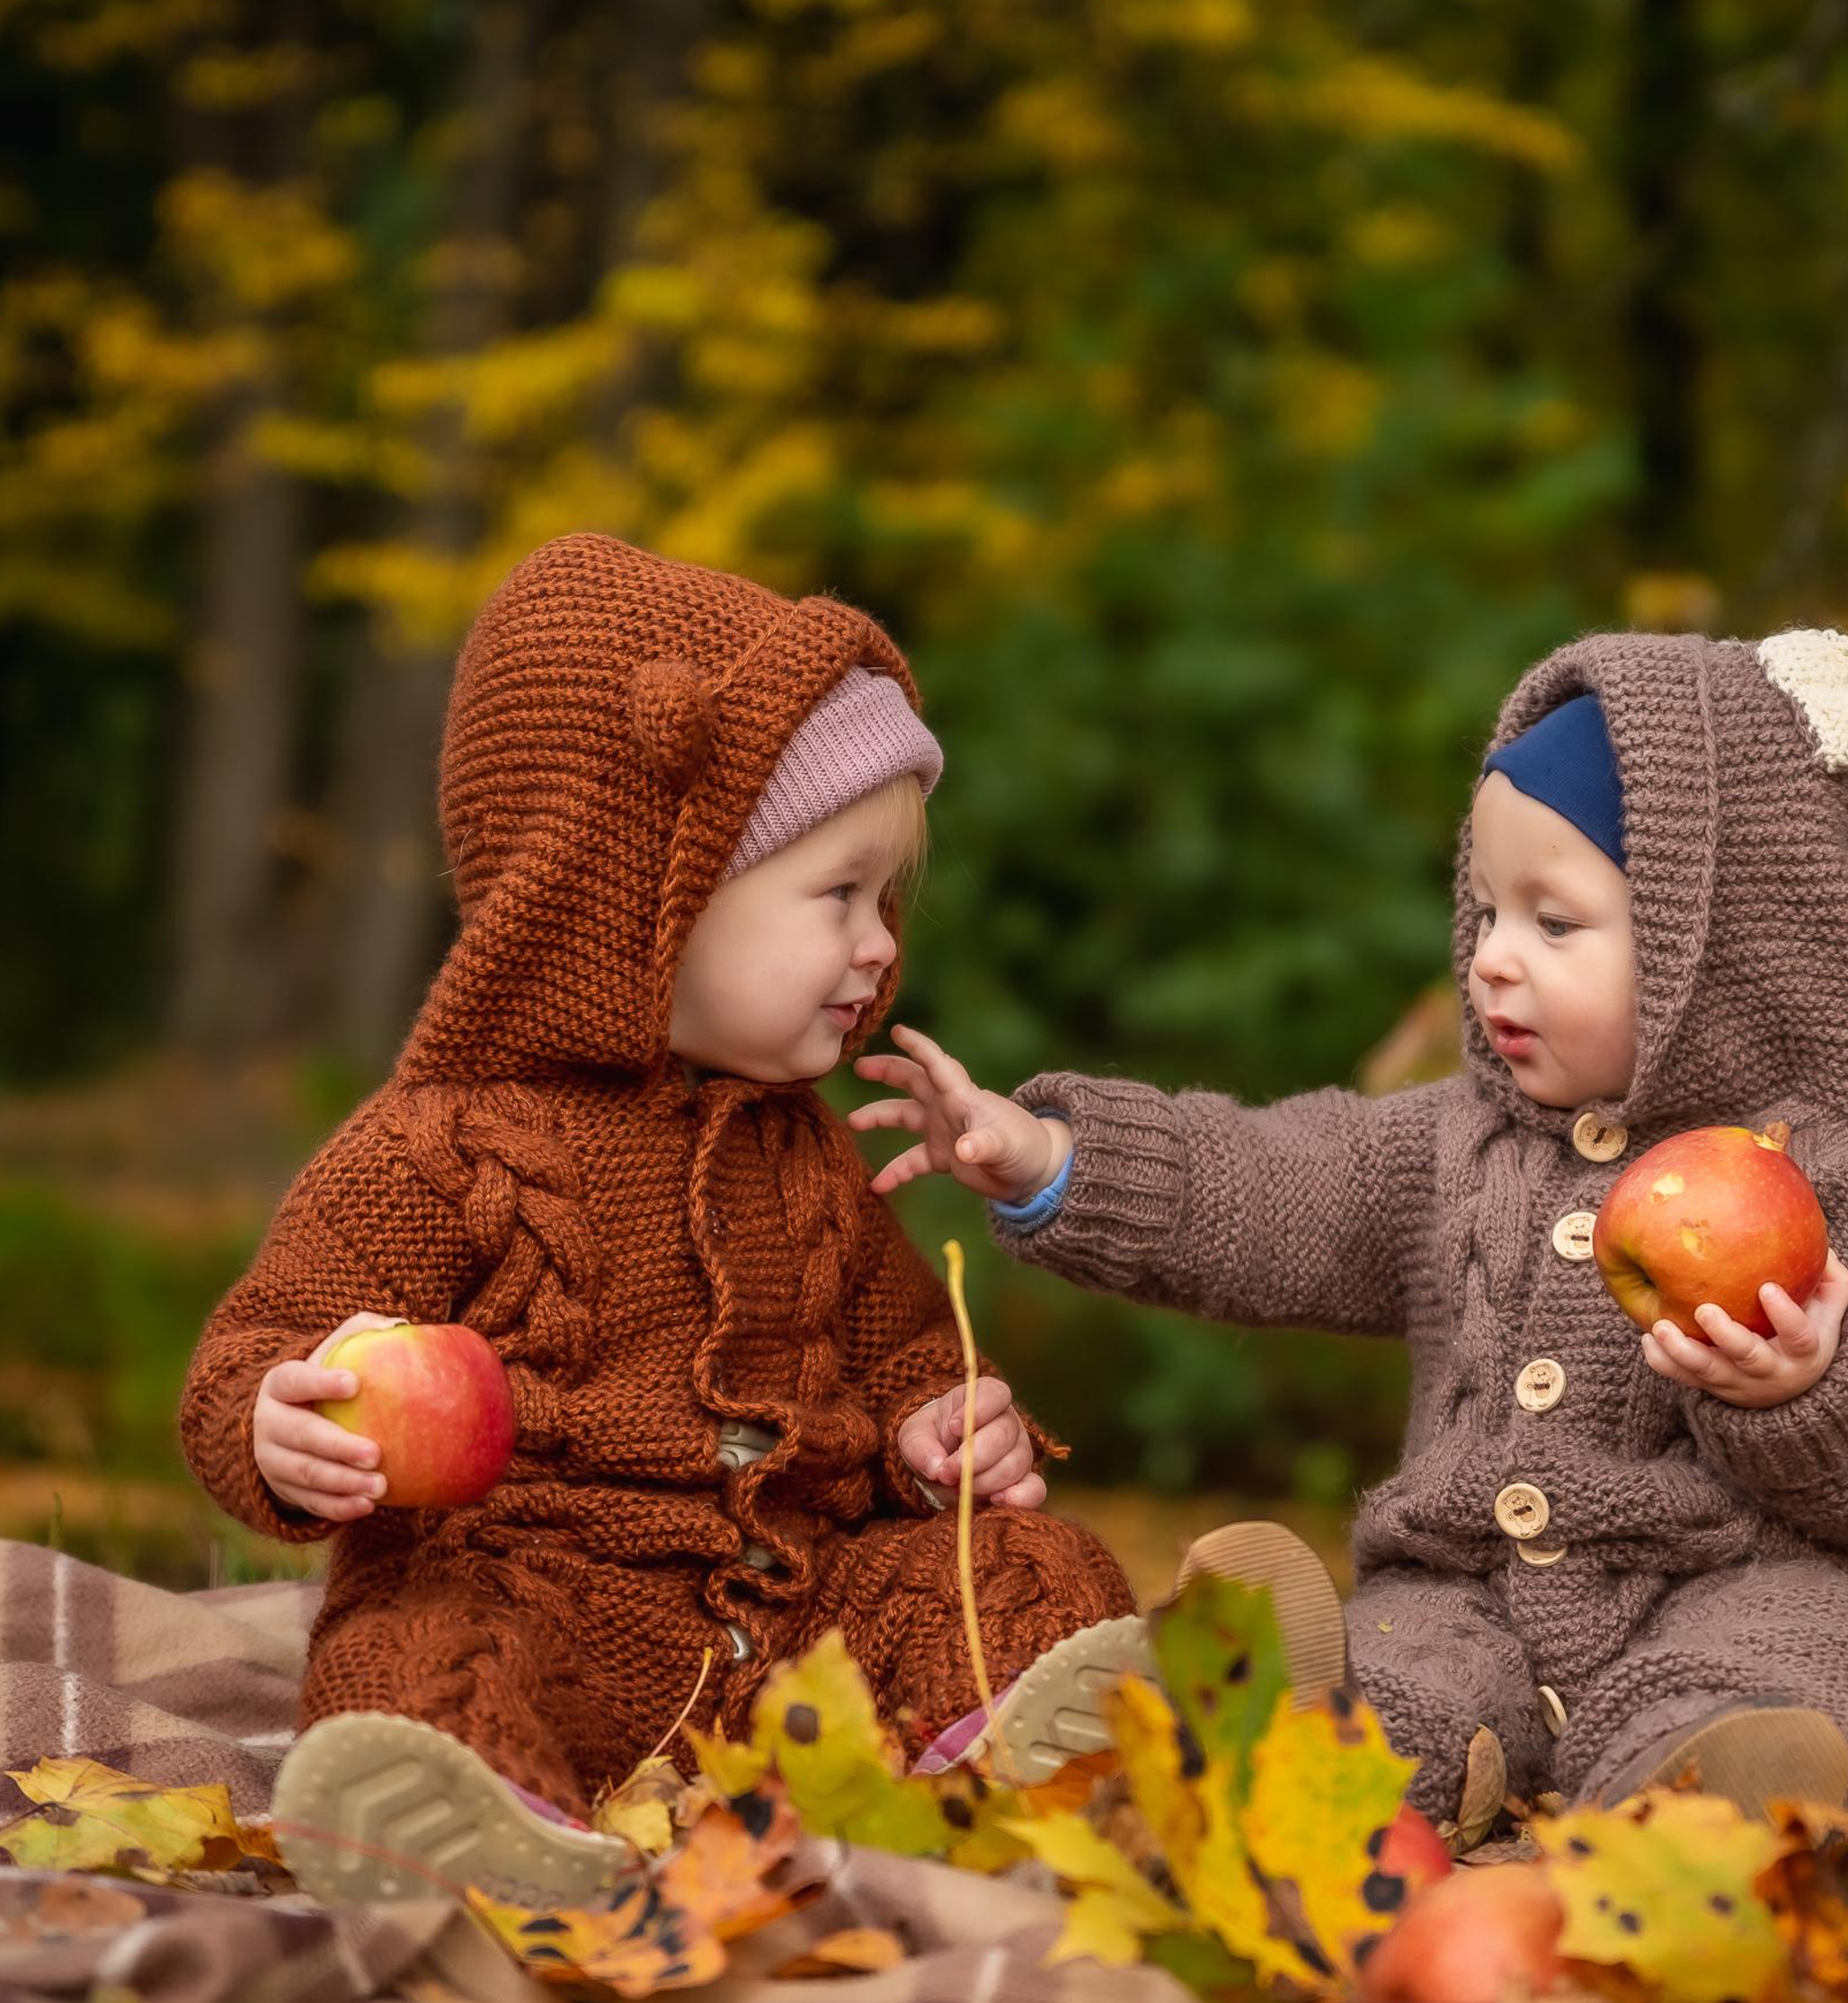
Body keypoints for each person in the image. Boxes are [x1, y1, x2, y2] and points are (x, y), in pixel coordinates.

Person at [851, 628, 1848, 1831]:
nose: (1490, 965)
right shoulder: (1455, 1145)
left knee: (1826, 1667)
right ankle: (1288, 1734)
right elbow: (1261, 1184)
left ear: (1718, 953)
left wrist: (1814, 1383)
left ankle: (1701, 1802)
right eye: (1488, 910)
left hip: (1754, 1582)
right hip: (1472, 1600)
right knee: (1402, 1667)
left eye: (1553, 925)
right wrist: (1049, 1158)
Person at [178, 532, 1142, 1907]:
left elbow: (904, 1365)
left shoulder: (809, 1159)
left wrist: (943, 1434)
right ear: (641, 899)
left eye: (884, 902)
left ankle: (988, 1777)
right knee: (406, 1649)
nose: (878, 945)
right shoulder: (446, 1145)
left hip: (799, 1645)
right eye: (836, 897)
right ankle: (480, 1828)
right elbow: (253, 1347)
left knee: (1031, 1569)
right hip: (541, 1611)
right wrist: (276, 1427)